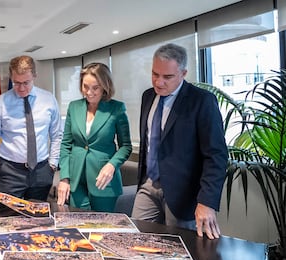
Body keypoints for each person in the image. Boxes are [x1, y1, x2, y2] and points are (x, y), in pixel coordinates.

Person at [132, 43, 228, 239]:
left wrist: (207, 202)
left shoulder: (201, 101)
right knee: (135, 239)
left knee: (183, 252)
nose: (158, 82)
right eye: (155, 74)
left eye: (167, 77)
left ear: (183, 73)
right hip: (149, 185)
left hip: (184, 194)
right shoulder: (148, 96)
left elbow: (216, 155)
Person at [0, 55, 62, 201]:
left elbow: (57, 135)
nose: (22, 88)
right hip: (11, 172)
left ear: (35, 76)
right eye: (16, 83)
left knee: (39, 220)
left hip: (42, 170)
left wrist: (52, 164)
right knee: (8, 220)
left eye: (26, 82)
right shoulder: (1, 103)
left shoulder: (49, 100)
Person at [57, 62, 132, 212]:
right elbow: (66, 144)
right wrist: (64, 178)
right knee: (77, 225)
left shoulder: (116, 108)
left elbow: (126, 146)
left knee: (102, 230)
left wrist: (112, 165)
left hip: (103, 180)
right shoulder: (74, 107)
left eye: (95, 88)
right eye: (85, 87)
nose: (89, 92)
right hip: (76, 179)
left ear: (105, 86)